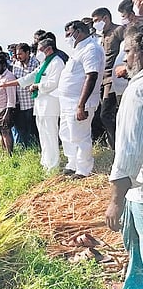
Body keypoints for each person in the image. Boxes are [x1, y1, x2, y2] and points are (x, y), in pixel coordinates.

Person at [105, 21, 143, 289]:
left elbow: (128, 153)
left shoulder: (137, 91)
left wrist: (115, 201)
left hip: (140, 192)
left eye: (127, 51)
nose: (124, 58)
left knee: (138, 245)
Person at [0, 38, 65, 171]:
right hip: (41, 105)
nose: (37, 53)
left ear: (48, 49)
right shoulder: (45, 63)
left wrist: (37, 86)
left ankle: (54, 164)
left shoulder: (57, 63)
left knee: (50, 135)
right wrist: (7, 84)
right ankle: (46, 163)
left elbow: (53, 83)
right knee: (43, 135)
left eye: (39, 50)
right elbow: (29, 77)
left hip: (50, 104)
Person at [57, 20, 105, 179]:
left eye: (68, 34)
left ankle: (83, 169)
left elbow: (91, 76)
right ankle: (73, 163)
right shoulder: (78, 49)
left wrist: (81, 105)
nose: (67, 38)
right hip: (67, 102)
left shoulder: (91, 49)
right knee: (66, 134)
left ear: (78, 32)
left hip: (80, 103)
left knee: (80, 136)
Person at [92, 7, 125, 150]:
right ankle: (116, 147)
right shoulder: (101, 37)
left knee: (107, 114)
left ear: (105, 18)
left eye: (96, 21)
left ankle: (118, 147)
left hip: (115, 80)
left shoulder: (119, 31)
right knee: (107, 115)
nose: (94, 25)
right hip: (103, 81)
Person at [12, 42, 40, 148]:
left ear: (27, 53)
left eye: (20, 54)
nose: (18, 57)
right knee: (23, 130)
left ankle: (37, 148)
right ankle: (28, 149)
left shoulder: (35, 63)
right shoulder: (16, 66)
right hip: (21, 104)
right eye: (17, 54)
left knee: (34, 129)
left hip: (33, 102)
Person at [0, 53, 17, 155]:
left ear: (4, 65)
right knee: (1, 133)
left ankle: (9, 155)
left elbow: (11, 98)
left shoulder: (9, 77)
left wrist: (8, 112)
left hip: (4, 110)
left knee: (6, 133)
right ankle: (4, 153)